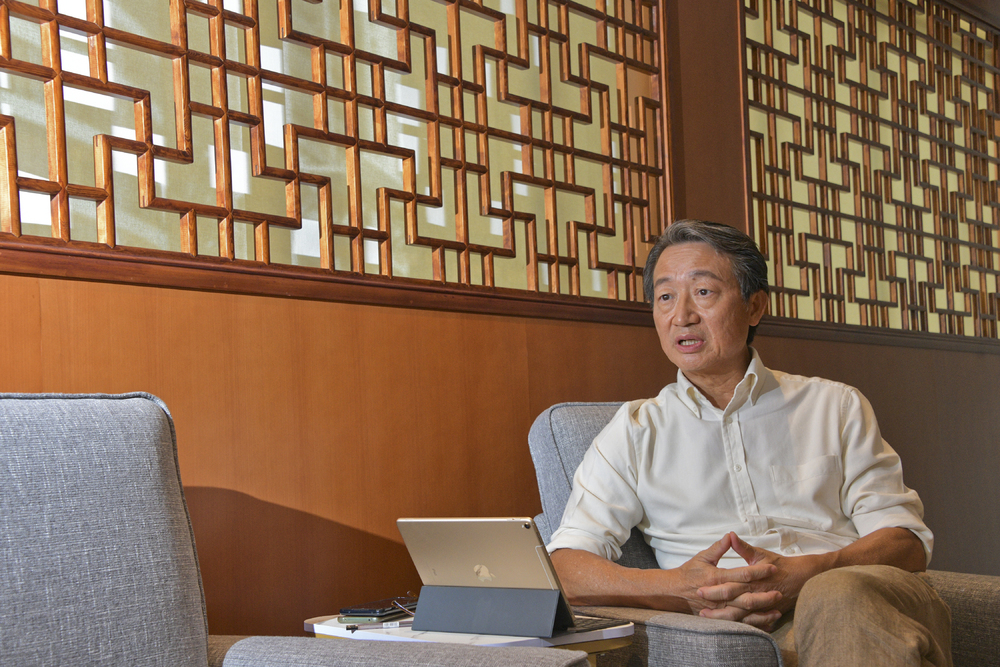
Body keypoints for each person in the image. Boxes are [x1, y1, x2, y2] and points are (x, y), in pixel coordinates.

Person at [546, 219, 952, 666]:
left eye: (703, 291)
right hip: (742, 628)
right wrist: (679, 588)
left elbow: (906, 542)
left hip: (862, 595)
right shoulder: (634, 430)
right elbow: (566, 568)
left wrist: (814, 571)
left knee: (835, 593)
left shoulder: (834, 405)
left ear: (754, 306)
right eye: (665, 297)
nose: (682, 315)